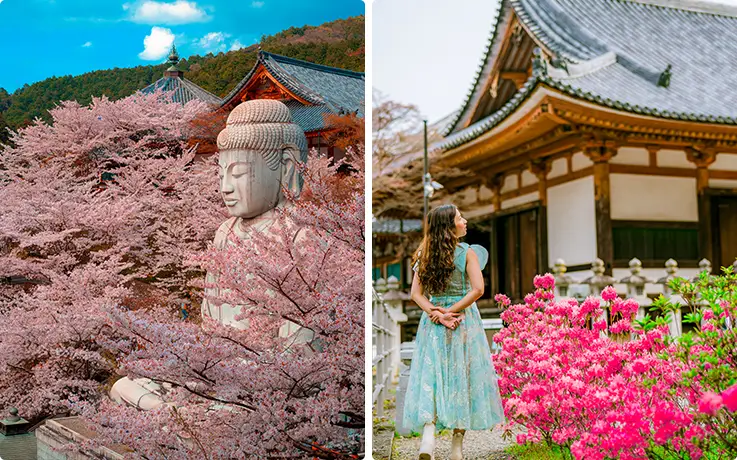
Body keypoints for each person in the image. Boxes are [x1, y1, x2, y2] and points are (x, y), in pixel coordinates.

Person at [402, 204, 505, 460]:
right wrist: (452, 311)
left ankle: (428, 437)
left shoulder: (423, 254)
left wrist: (436, 313)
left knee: (432, 377)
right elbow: (478, 289)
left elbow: (416, 294)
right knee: (463, 379)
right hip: (464, 320)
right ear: (450, 225)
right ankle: (456, 449)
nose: (465, 221)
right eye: (460, 218)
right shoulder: (467, 253)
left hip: (433, 323)